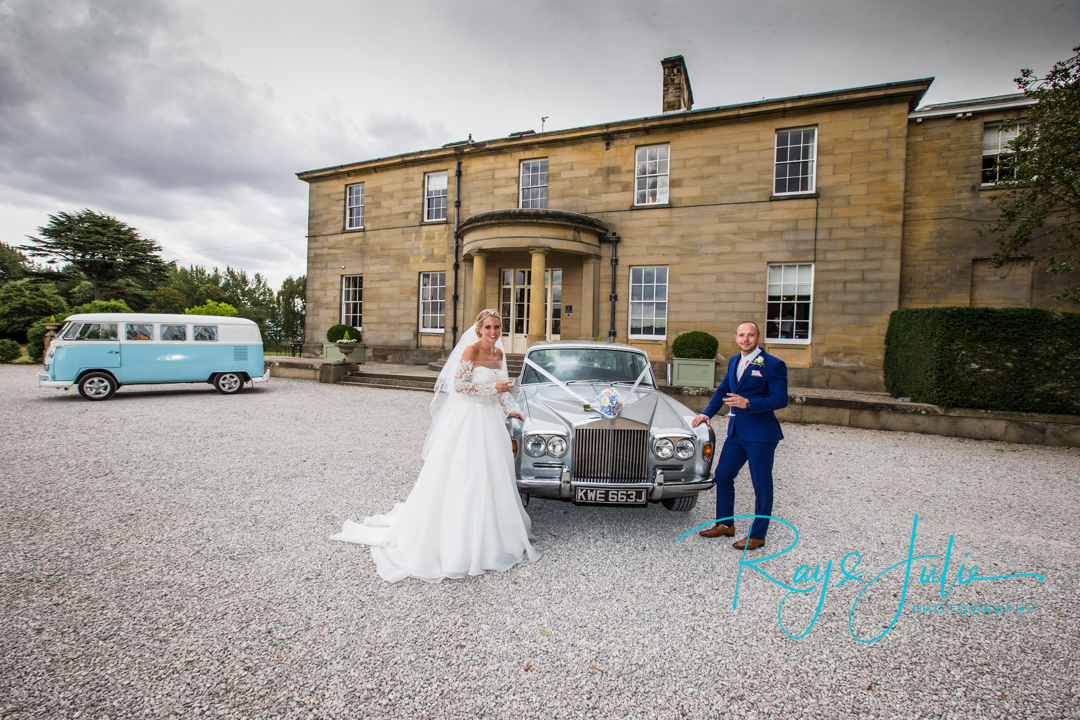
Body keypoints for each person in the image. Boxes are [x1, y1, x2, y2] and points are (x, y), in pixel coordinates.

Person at [330, 309, 538, 582]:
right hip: (469, 420)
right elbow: (460, 386)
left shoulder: (499, 354)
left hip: (491, 422)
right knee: (465, 473)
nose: (493, 332)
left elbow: (503, 390)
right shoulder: (471, 352)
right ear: (479, 329)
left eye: (497, 327)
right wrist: (493, 389)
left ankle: (493, 534)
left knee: (493, 474)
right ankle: (457, 540)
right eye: (488, 327)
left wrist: (510, 408)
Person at [691, 321, 787, 551]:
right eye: (742, 335)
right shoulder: (734, 361)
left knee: (761, 485)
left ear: (758, 337)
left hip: (761, 435)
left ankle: (758, 535)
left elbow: (780, 399)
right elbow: (723, 390)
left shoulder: (773, 364)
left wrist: (749, 403)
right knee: (723, 474)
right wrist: (707, 413)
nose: (746, 339)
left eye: (750, 335)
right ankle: (725, 524)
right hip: (736, 433)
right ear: (736, 338)